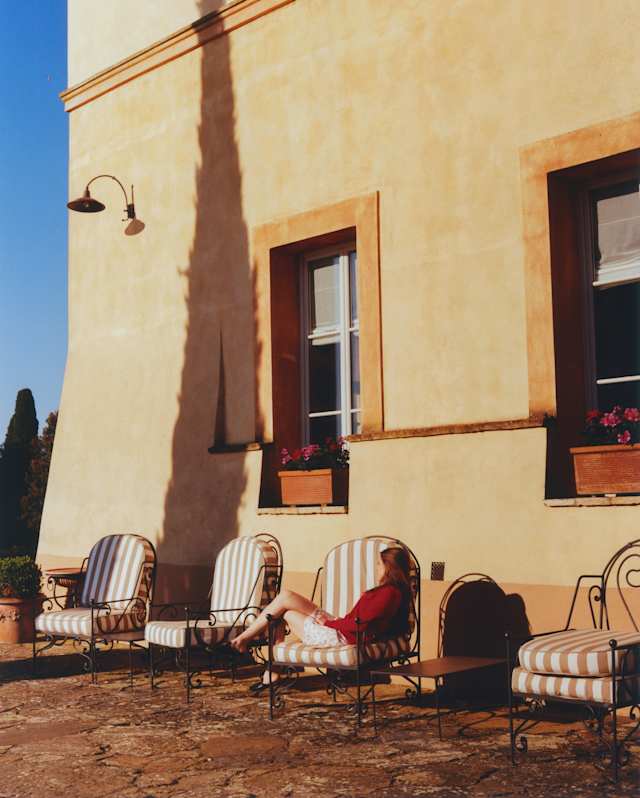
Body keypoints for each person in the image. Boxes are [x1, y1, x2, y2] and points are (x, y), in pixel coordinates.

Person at [230, 547, 412, 682]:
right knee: (285, 597)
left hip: (340, 636)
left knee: (283, 612)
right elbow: (359, 621)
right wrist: (332, 621)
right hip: (341, 630)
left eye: (380, 564)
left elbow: (361, 624)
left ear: (389, 567)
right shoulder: (392, 592)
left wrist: (329, 623)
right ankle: (269, 667)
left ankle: (254, 649)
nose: (377, 568)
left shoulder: (389, 593)